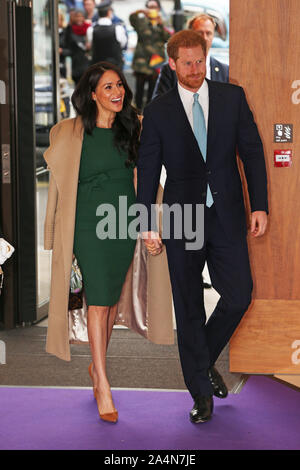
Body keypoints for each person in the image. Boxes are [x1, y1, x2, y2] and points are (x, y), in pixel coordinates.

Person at [137, 30, 268, 424]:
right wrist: (145, 221)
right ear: (172, 63)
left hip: (227, 213)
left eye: (200, 61)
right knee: (189, 306)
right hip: (181, 218)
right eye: (187, 62)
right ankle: (201, 395)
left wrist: (259, 206)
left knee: (239, 295)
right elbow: (147, 170)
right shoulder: (158, 110)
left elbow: (252, 152)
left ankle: (202, 360)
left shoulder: (232, 98)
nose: (195, 70)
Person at [43, 61, 174, 424]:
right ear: (92, 95)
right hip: (86, 224)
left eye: (120, 86)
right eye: (109, 88)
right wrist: (55, 235)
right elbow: (60, 188)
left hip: (122, 222)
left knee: (110, 301)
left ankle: (96, 368)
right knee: (98, 301)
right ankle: (102, 381)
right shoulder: (68, 133)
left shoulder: (135, 127)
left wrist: (148, 225)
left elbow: (140, 179)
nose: (118, 94)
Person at [152, 13, 229, 99]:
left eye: (208, 33)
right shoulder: (170, 70)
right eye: (200, 33)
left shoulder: (224, 71)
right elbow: (157, 104)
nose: (204, 38)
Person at [129, 0, 171, 111]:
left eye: (154, 7)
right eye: (150, 7)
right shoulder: (141, 21)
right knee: (139, 90)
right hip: (141, 62)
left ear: (159, 8)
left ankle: (148, 115)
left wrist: (160, 24)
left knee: (153, 91)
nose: (152, 9)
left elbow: (169, 38)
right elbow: (132, 18)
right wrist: (141, 11)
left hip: (156, 62)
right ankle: (137, 114)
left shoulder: (163, 22)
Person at [86, 2, 127, 69]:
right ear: (109, 12)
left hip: (98, 66)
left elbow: (90, 46)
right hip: (115, 66)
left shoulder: (91, 29)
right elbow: (122, 45)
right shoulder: (118, 28)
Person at [64, 9, 90, 84]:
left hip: (88, 63)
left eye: (81, 16)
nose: (79, 19)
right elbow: (67, 46)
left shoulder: (89, 29)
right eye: (77, 16)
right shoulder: (70, 29)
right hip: (76, 65)